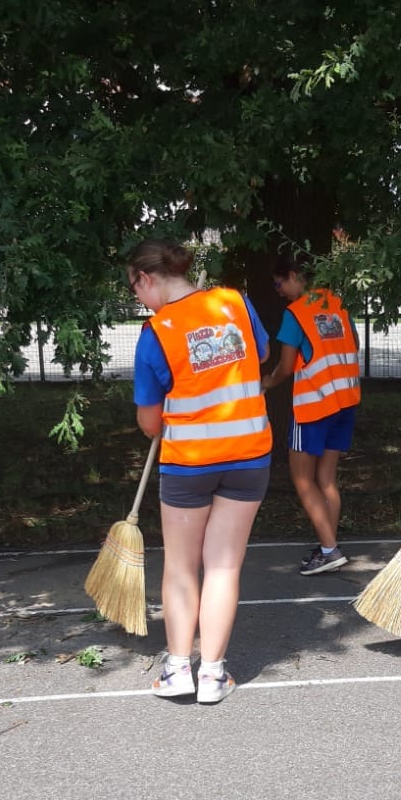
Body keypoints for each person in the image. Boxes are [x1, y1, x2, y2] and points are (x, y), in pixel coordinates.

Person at [130, 238, 272, 704]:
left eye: (135, 289)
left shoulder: (157, 332)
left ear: (147, 279)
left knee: (181, 568)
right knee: (224, 566)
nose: (138, 299)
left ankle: (176, 670)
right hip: (249, 457)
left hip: (189, 464)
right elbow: (262, 354)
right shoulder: (234, 301)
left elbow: (151, 423)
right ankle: (212, 674)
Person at [261, 250, 361, 574]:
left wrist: (265, 382)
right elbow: (352, 345)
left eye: (279, 284)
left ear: (293, 276)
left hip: (314, 405)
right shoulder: (337, 304)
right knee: (326, 480)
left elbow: (286, 367)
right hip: (344, 401)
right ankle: (328, 547)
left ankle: (330, 550)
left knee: (303, 480)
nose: (279, 291)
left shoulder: (296, 313)